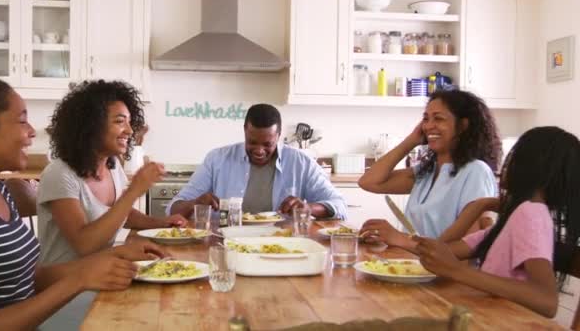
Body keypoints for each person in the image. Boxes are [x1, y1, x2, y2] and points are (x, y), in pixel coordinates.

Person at [0, 73, 162, 330]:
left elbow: (33, 278)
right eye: (22, 121)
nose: (31, 132)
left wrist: (113, 255)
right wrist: (80, 278)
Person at [414, 126, 580, 318]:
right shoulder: (516, 217)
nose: (506, 165)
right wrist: (479, 206)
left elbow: (547, 302)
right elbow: (441, 251)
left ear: (530, 165)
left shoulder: (531, 213)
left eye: (515, 156)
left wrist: (457, 271)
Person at [37, 80, 187, 265]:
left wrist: (161, 223)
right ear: (91, 125)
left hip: (98, 274)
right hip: (64, 286)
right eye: (120, 121)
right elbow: (84, 244)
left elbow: (121, 214)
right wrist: (134, 191)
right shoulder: (59, 174)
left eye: (130, 122)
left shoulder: (112, 166)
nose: (130, 131)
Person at [359, 90, 501, 248]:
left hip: (442, 272)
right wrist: (411, 140)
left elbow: (469, 247)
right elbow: (368, 182)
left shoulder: (476, 172)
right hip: (413, 267)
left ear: (462, 126)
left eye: (438, 119)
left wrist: (400, 239)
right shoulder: (427, 172)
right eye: (425, 119)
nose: (428, 126)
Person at [167, 103, 347, 219]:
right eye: (252, 142)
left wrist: (308, 208)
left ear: (278, 135)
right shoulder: (217, 159)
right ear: (245, 130)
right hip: (226, 243)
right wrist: (195, 203)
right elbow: (173, 209)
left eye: (267, 144)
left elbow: (339, 205)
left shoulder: (300, 162)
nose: (259, 150)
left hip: (283, 244)